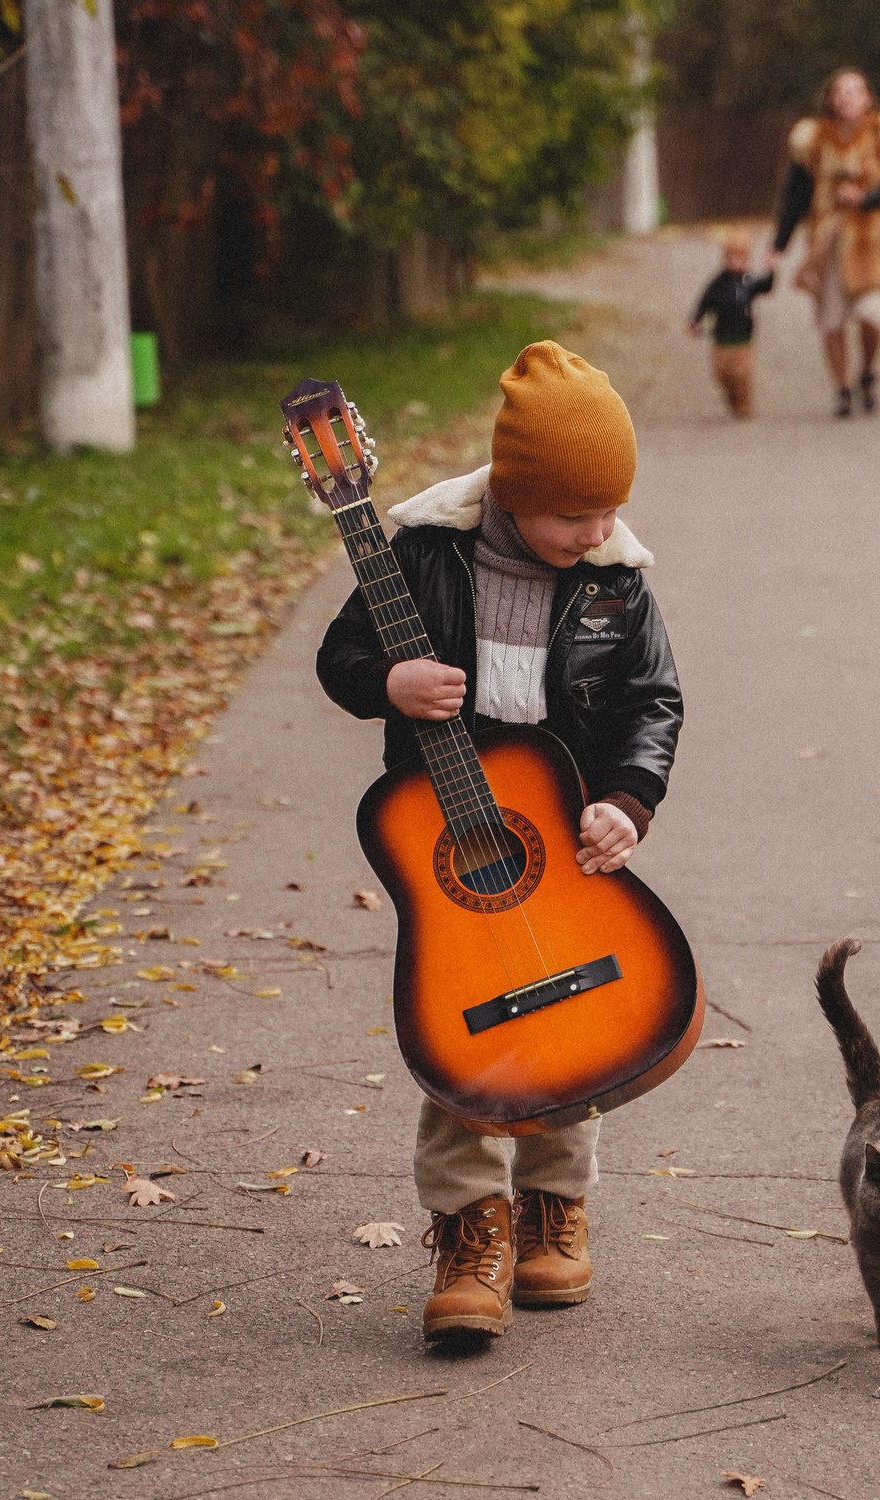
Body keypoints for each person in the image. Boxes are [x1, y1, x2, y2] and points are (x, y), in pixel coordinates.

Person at [315, 340, 683, 1344]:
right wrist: (386, 683)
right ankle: (469, 1224)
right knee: (466, 1035)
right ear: (514, 495)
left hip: (556, 837)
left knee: (578, 1026)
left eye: (609, 508)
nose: (600, 529)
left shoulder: (614, 580)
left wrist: (625, 800)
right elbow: (344, 650)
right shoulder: (426, 555)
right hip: (454, 842)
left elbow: (651, 702)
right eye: (576, 513)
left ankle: (551, 1206)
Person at [770, 67, 880, 417]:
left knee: (871, 316)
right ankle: (843, 388)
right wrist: (779, 244)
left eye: (855, 90)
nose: (847, 96)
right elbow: (796, 196)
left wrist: (864, 198)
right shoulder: (814, 141)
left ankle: (866, 372)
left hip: (870, 243)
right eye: (840, 91)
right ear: (831, 99)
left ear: (867, 99)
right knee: (831, 321)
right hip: (827, 241)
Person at [687, 231, 775, 418]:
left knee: (743, 374)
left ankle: (744, 404)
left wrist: (770, 271)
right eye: (732, 257)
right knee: (722, 374)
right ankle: (732, 397)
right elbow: (705, 302)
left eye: (741, 258)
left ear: (747, 259)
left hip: (743, 339)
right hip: (722, 337)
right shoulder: (718, 283)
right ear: (725, 258)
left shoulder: (749, 281)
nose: (736, 262)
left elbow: (765, 287)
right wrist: (694, 321)